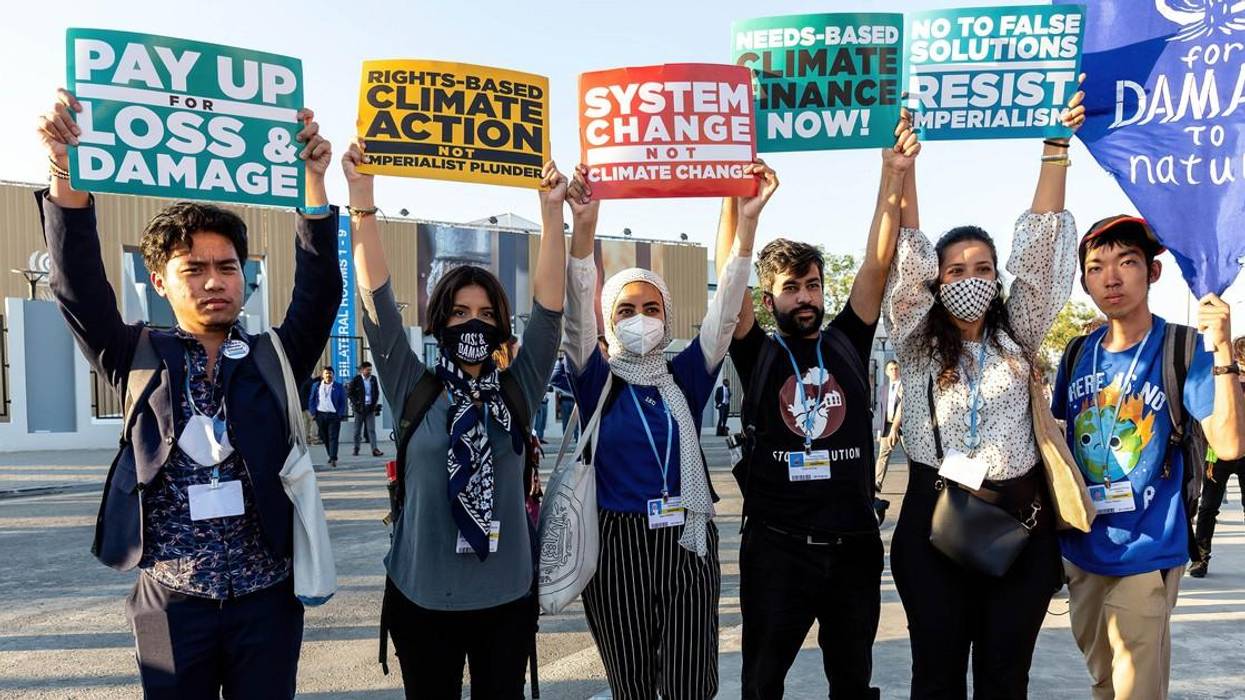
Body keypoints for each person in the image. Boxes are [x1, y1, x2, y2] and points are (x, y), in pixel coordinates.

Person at [36, 88, 340, 698]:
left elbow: (319, 291)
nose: (213, 283)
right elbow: (78, 287)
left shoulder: (272, 355)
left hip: (266, 600)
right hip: (171, 604)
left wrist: (313, 181)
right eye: (192, 270)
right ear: (160, 281)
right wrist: (64, 171)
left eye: (227, 268)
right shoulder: (138, 353)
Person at [882, 83, 1086, 697]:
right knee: (937, 675)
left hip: (1018, 526)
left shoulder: (1018, 333)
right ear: (936, 281)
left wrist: (1055, 148)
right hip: (933, 522)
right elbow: (909, 250)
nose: (969, 279)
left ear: (998, 277)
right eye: (955, 270)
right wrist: (905, 169)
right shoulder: (915, 338)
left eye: (982, 268)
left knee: (1005, 676)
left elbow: (1044, 249)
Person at [344, 139, 566, 697]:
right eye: (460, 312)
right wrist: (362, 199)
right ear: (439, 321)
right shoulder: (411, 386)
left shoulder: (520, 388)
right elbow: (374, 301)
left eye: (487, 314)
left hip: (506, 600)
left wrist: (550, 212)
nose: (473, 324)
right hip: (421, 600)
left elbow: (549, 311)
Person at [561, 158, 776, 699]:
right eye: (627, 309)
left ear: (668, 315)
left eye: (651, 307)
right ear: (609, 321)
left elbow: (727, 309)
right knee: (632, 684)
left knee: (690, 683)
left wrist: (746, 223)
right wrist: (583, 227)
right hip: (617, 546)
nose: (640, 317)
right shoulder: (595, 378)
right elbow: (574, 316)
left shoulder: (687, 375)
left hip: (688, 541)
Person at [725, 115, 919, 699]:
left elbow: (877, 264)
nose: (806, 297)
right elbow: (726, 278)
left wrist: (892, 175)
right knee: (762, 684)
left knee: (851, 684)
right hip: (777, 551)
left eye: (812, 285)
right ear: (769, 297)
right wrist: (739, 203)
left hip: (852, 549)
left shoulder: (846, 339)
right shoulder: (756, 351)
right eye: (792, 287)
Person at [1053, 216, 1245, 699]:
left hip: (1148, 549)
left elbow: (1229, 445)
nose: (1111, 277)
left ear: (1152, 273)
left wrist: (1221, 348)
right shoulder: (1077, 354)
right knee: (1104, 681)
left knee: (1136, 689)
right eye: (1096, 267)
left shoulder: (1182, 347)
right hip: (1084, 550)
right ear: (1085, 281)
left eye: (1127, 262)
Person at [1191, 339, 1245, 577]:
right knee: (1208, 506)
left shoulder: (1220, 380)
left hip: (1222, 450)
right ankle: (1200, 560)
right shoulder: (1220, 380)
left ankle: (1200, 560)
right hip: (1217, 451)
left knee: (1208, 508)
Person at [307, 366, 347, 467]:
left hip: (333, 415)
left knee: (333, 437)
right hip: (320, 414)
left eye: (330, 374)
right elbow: (311, 399)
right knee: (324, 437)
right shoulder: (316, 386)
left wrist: (340, 414)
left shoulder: (338, 386)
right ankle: (330, 454)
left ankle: (333, 457)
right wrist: (313, 413)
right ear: (322, 375)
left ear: (333, 375)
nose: (328, 376)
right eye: (326, 374)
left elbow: (343, 402)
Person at [874, 359, 903, 491]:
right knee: (882, 455)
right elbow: (881, 411)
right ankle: (877, 482)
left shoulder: (905, 386)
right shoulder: (883, 389)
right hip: (887, 426)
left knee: (910, 456)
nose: (894, 371)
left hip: (904, 427)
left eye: (896, 369)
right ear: (886, 372)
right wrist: (880, 431)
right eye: (891, 369)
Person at [348, 361, 384, 457]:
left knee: (371, 430)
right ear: (362, 370)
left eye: (370, 370)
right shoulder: (356, 380)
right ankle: (356, 448)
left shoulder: (373, 379)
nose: (369, 372)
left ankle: (374, 449)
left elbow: (376, 392)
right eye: (367, 370)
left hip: (370, 408)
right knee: (357, 430)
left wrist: (374, 404)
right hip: (359, 409)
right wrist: (356, 403)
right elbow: (350, 393)